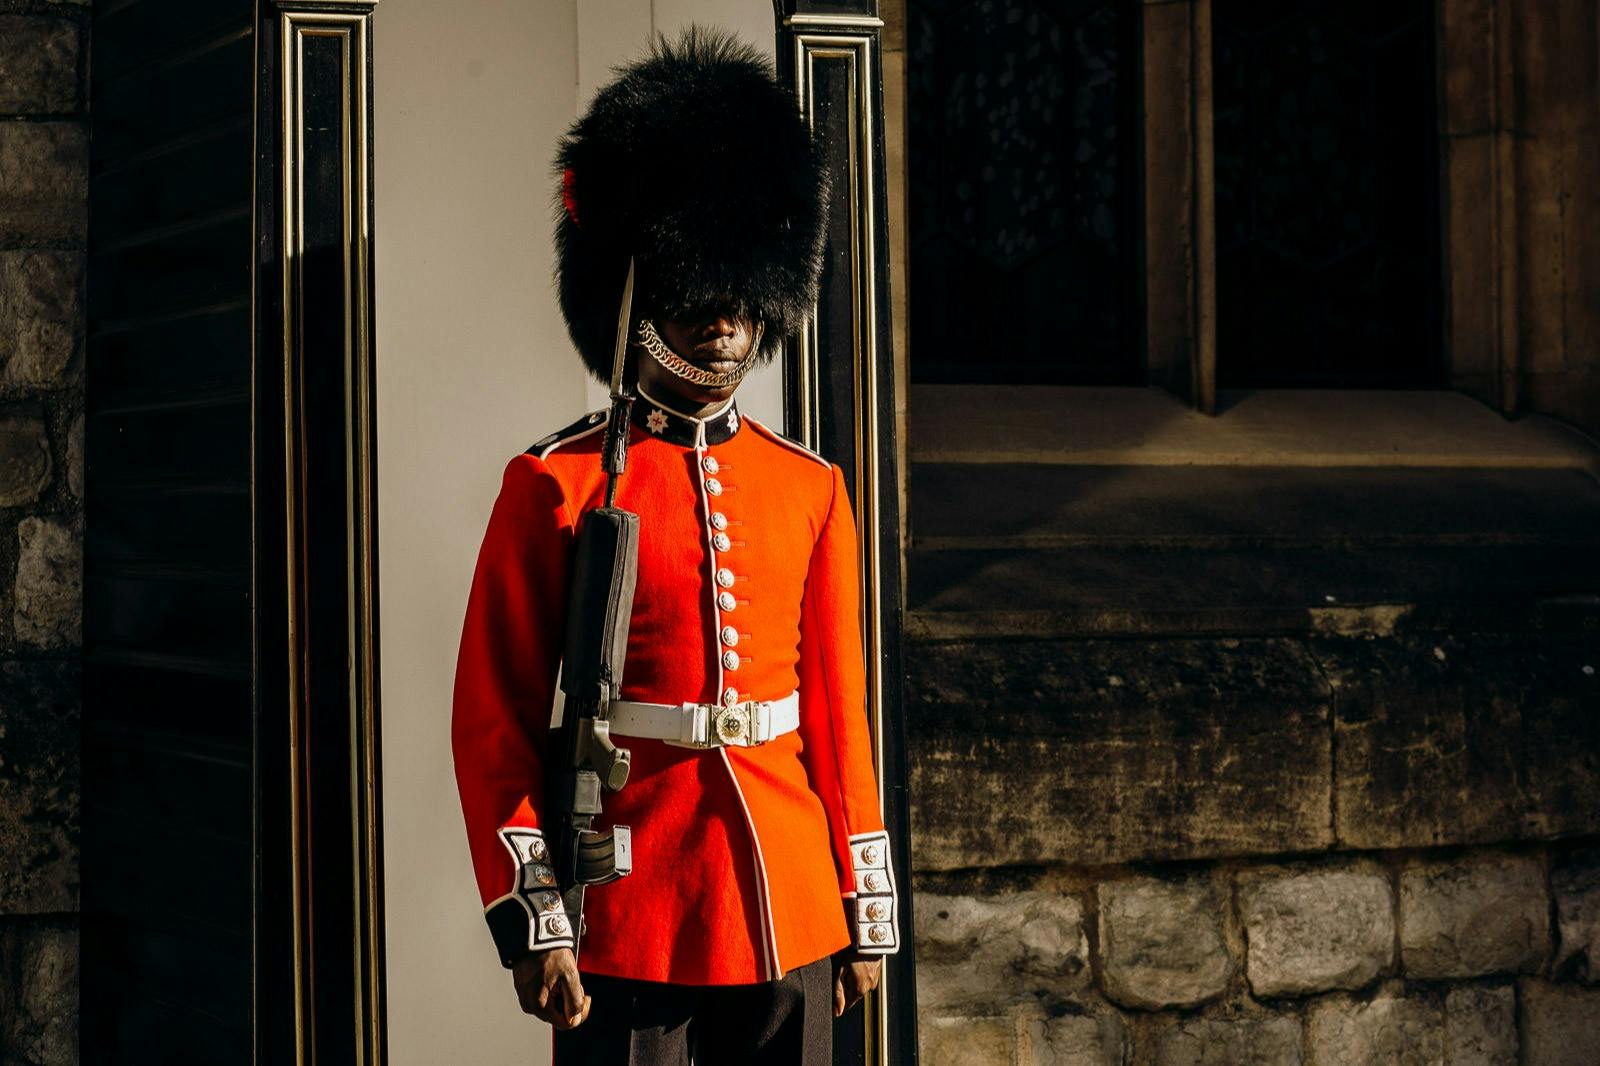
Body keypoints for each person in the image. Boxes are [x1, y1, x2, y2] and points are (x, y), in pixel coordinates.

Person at [450, 26, 899, 1065]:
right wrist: (537, 915)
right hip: (628, 898)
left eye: (740, 298)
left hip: (786, 892)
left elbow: (840, 720)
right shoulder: (557, 484)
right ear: (640, 293)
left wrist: (860, 902)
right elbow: (494, 721)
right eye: (699, 295)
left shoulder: (810, 488)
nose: (724, 323)